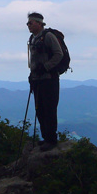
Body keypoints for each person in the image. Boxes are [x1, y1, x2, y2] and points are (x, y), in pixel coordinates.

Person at [27, 12, 63, 151]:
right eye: (28, 23)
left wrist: (46, 67)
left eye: (31, 23)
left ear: (39, 23)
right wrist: (33, 74)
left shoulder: (48, 36)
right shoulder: (33, 38)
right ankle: (46, 137)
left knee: (49, 109)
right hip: (37, 79)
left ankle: (51, 140)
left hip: (49, 79)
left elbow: (58, 54)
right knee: (40, 109)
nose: (28, 25)